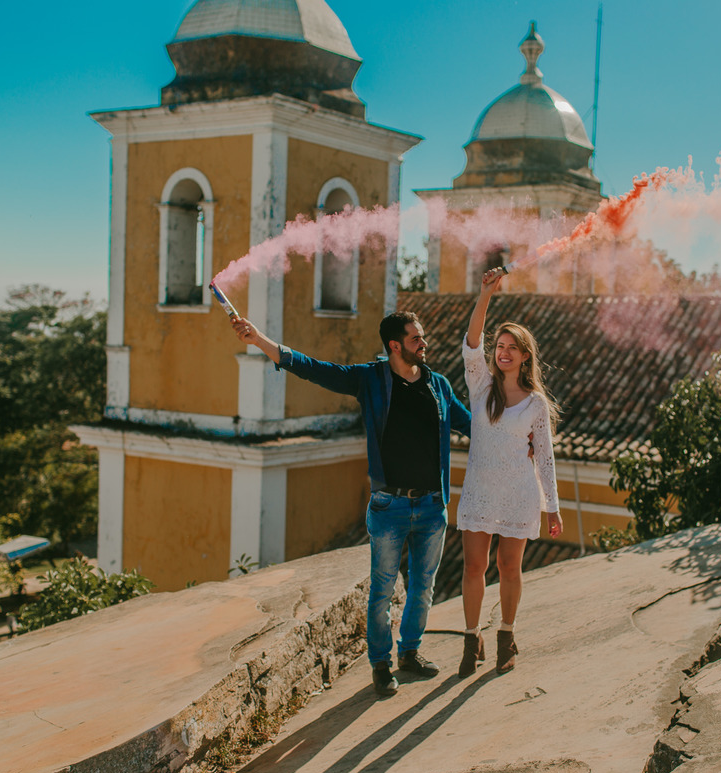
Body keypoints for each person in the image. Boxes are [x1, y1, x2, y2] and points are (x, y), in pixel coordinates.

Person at [230, 310, 470, 697]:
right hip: (389, 507)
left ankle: (410, 652)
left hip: (431, 506)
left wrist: (516, 433)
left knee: (424, 586)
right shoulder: (370, 380)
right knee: (382, 590)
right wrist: (259, 340)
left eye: (422, 337)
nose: (423, 343)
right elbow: (312, 368)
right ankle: (380, 664)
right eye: (415, 339)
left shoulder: (438, 385)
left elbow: (471, 424)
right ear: (395, 345)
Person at [456, 268, 563, 677]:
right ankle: (470, 640)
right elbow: (470, 343)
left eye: (511, 347)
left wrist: (551, 507)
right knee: (472, 567)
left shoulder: (535, 404)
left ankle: (505, 636)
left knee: (509, 567)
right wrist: (485, 295)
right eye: (499, 346)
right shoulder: (481, 385)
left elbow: (546, 459)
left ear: (524, 356)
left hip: (519, 492)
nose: (502, 352)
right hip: (480, 490)